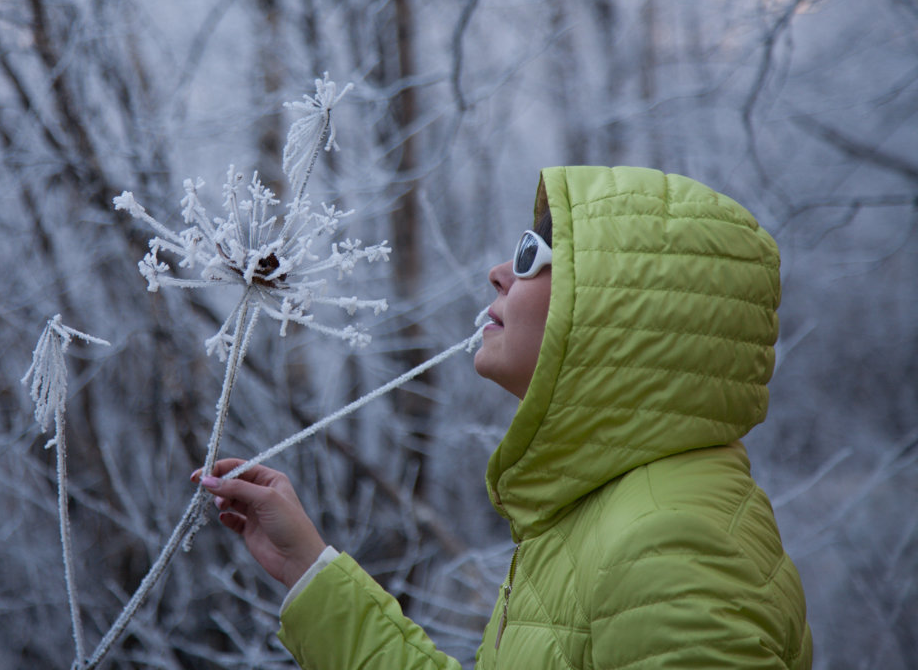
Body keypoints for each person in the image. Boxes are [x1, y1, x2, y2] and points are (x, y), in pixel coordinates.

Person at [194, 166, 813, 669]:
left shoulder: (670, 544)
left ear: (620, 314)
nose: (498, 272)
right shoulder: (599, 516)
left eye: (530, 252)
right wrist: (308, 568)